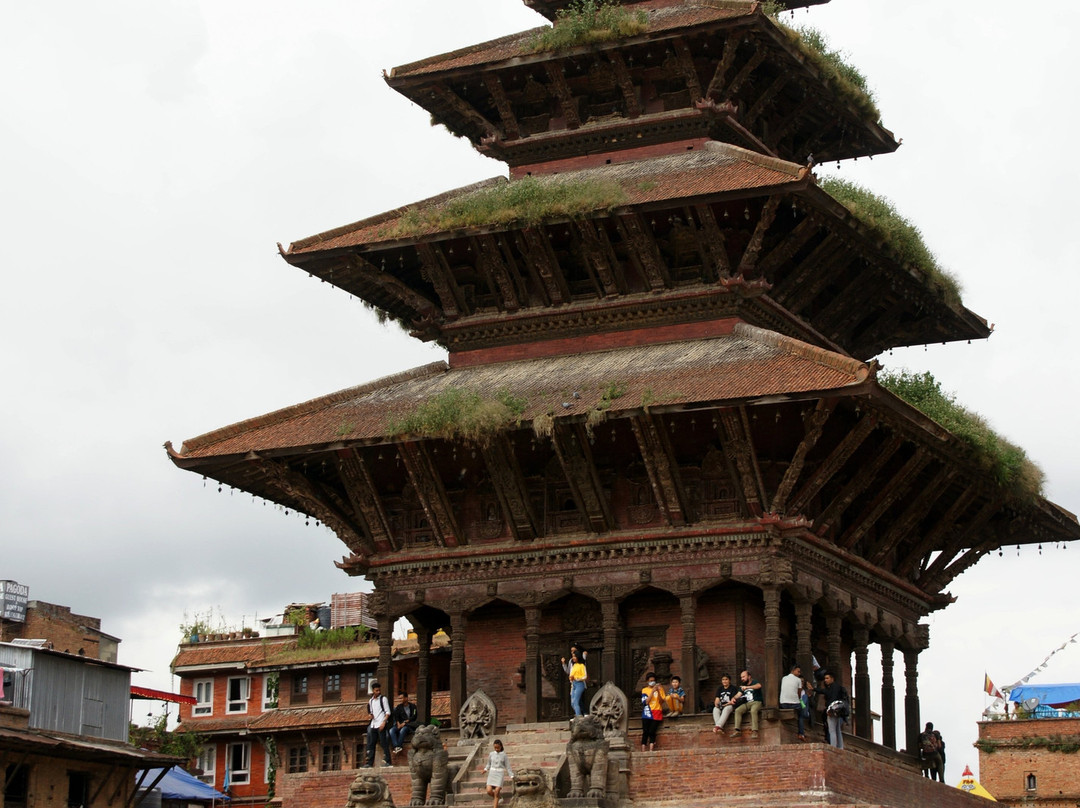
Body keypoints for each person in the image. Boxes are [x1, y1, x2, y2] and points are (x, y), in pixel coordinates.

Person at [363, 681, 393, 767]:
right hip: (374, 724)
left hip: (381, 723)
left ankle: (388, 761)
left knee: (384, 743)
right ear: (373, 691)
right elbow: (371, 711)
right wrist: (370, 715)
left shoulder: (383, 699)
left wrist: (384, 723)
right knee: (371, 744)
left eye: (379, 690)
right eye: (376, 690)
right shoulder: (371, 701)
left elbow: (388, 712)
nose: (378, 692)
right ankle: (369, 763)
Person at [820, 671, 849, 749]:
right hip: (839, 711)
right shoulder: (838, 687)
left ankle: (833, 747)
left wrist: (829, 710)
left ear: (832, 679)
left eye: (827, 678)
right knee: (837, 730)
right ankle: (840, 747)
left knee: (832, 730)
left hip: (833, 711)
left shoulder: (833, 688)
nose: (825, 680)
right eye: (825, 678)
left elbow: (831, 699)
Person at [729, 670, 762, 737]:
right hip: (747, 703)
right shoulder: (743, 685)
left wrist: (748, 687)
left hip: (756, 702)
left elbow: (759, 686)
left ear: (749, 676)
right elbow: (738, 694)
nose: (742, 679)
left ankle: (755, 731)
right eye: (741, 677)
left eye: (744, 677)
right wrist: (733, 698)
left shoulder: (754, 682)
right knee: (738, 710)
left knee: (753, 710)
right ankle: (737, 730)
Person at [779, 664, 807, 741]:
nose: (799, 673)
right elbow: (799, 693)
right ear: (793, 670)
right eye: (798, 671)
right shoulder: (798, 680)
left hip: (783, 703)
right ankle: (801, 733)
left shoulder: (784, 678)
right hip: (794, 704)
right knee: (801, 715)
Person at [483, 738, 514, 808]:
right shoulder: (491, 754)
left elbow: (508, 766)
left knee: (496, 792)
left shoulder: (504, 755)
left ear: (501, 746)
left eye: (498, 747)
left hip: (499, 774)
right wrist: (485, 769)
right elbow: (488, 764)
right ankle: (499, 797)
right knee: (489, 791)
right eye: (495, 748)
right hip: (492, 773)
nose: (496, 749)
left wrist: (511, 775)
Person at [640, 672, 666, 751]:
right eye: (651, 680)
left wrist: (657, 691)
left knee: (652, 731)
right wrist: (652, 691)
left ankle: (651, 749)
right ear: (647, 681)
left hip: (657, 711)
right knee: (645, 731)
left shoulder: (660, 689)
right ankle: (643, 749)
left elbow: (662, 701)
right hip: (647, 712)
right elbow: (646, 702)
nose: (652, 682)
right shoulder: (644, 690)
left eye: (654, 680)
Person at [567, 650, 587, 716]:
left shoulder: (582, 665)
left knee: (576, 701)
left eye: (574, 656)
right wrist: (571, 678)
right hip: (573, 684)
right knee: (572, 703)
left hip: (580, 684)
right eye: (573, 656)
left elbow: (585, 676)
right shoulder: (574, 666)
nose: (573, 658)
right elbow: (570, 675)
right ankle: (580, 714)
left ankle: (578, 717)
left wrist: (576, 678)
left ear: (578, 656)